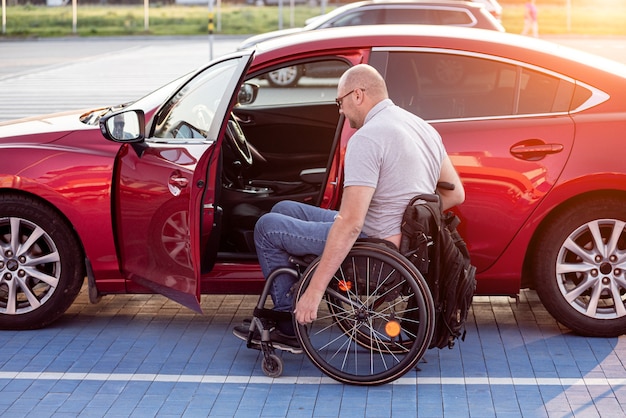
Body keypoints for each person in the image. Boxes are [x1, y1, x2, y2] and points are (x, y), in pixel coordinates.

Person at [233, 64, 465, 353]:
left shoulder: (367, 139)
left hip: (375, 247)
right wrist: (407, 221)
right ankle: (292, 292)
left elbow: (351, 223)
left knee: (267, 228)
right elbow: (456, 193)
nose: (340, 111)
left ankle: (288, 324)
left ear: (358, 95)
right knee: (284, 209)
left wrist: (316, 291)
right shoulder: (422, 127)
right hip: (403, 247)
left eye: (339, 102)